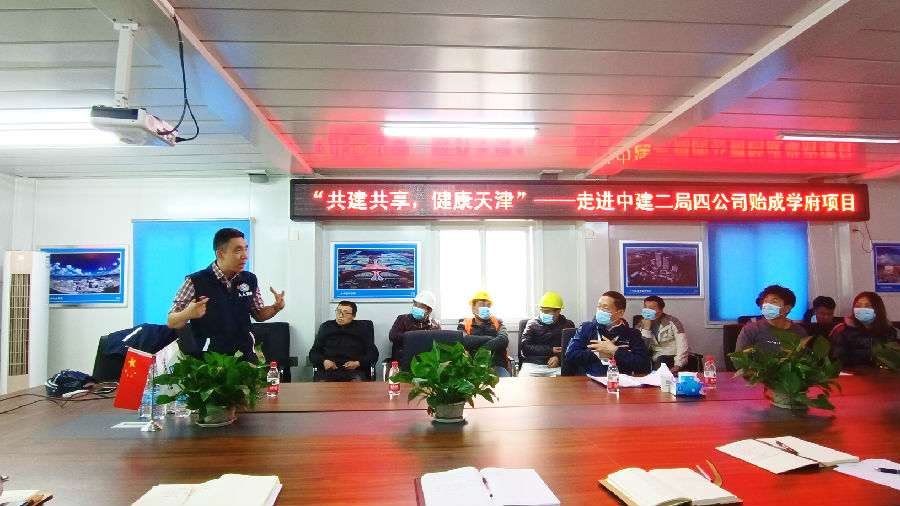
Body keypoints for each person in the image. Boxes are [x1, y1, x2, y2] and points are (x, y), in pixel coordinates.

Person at [167, 228, 285, 361]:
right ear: (220, 254)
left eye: (245, 249)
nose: (245, 256)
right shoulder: (195, 281)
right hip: (208, 359)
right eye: (238, 250)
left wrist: (276, 307)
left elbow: (259, 314)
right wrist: (187, 314)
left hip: (244, 357)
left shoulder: (249, 279)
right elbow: (171, 321)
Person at [564, 291, 651, 376]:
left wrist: (615, 351)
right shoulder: (586, 328)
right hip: (589, 380)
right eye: (599, 307)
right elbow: (570, 356)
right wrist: (598, 353)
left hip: (620, 381)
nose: (600, 311)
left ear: (620, 313)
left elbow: (643, 365)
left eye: (605, 308)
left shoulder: (632, 334)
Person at [308, 301, 379, 381]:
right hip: (328, 371)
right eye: (338, 312)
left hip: (354, 371)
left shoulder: (362, 328)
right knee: (321, 387)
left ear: (353, 316)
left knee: (357, 384)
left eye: (345, 313)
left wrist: (358, 363)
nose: (340, 316)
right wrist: (323, 361)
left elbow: (373, 353)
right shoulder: (326, 327)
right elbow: (313, 352)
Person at [830, 291, 900, 367]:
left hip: (883, 373)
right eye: (858, 306)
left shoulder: (890, 331)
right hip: (855, 373)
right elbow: (837, 362)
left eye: (867, 306)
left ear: (878, 309)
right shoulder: (843, 330)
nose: (862, 309)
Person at [735, 284, 806, 352]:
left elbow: (803, 358)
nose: (767, 305)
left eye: (774, 302)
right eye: (766, 301)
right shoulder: (750, 330)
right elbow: (740, 358)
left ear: (787, 308)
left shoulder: (799, 332)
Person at [519, 292, 576, 377]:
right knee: (524, 382)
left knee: (567, 383)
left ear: (558, 311)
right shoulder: (532, 324)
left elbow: (573, 348)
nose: (543, 314)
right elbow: (525, 347)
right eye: (541, 311)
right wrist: (550, 350)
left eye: (547, 311)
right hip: (533, 365)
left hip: (557, 366)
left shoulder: (568, 325)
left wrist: (559, 358)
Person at [458, 291, 511, 377]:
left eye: (488, 305)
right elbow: (464, 340)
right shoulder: (464, 324)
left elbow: (503, 340)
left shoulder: (497, 322)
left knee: (506, 383)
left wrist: (480, 350)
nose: (485, 308)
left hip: (496, 365)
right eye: (482, 305)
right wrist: (491, 339)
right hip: (473, 366)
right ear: (473, 308)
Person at [638, 295, 691, 372]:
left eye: (651, 308)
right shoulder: (640, 325)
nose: (647, 311)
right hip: (656, 357)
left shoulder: (673, 322)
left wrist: (678, 365)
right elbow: (642, 348)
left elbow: (682, 345)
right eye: (645, 307)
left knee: (662, 360)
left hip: (674, 356)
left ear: (660, 310)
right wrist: (646, 329)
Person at [388, 290, 441, 361]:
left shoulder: (435, 325)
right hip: (404, 359)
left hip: (426, 361)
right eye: (415, 305)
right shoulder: (403, 319)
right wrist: (417, 336)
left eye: (420, 307)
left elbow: (438, 344)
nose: (416, 308)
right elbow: (393, 336)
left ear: (429, 310)